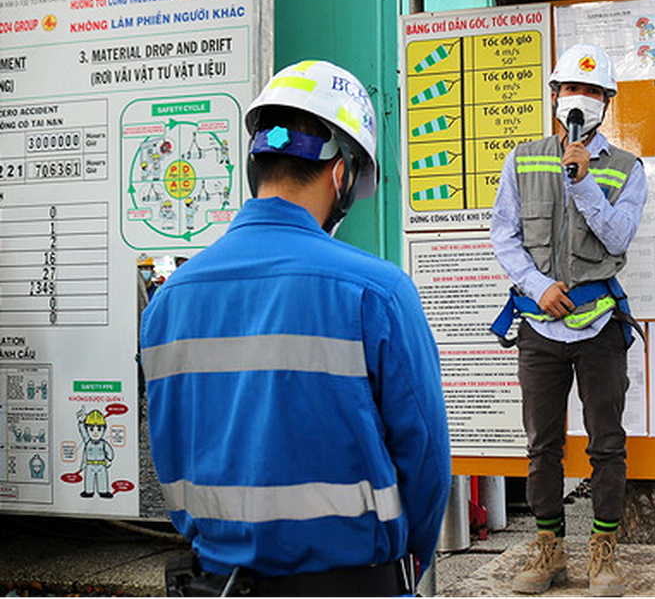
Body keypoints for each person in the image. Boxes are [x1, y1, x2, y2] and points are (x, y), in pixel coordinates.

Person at [141, 60, 451, 597]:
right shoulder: (376, 292)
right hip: (357, 585)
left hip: (217, 584)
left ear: (254, 164)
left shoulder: (168, 301)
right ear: (342, 174)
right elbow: (425, 463)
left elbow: (170, 459)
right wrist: (403, 565)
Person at [489, 44, 647, 597]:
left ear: (607, 101)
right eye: (570, 91)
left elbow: (618, 238)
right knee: (543, 445)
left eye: (593, 93)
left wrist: (581, 181)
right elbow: (503, 236)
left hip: (600, 326)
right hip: (539, 325)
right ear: (554, 97)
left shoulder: (627, 168)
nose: (580, 101)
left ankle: (603, 552)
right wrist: (538, 287)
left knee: (607, 442)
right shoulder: (522, 159)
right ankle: (549, 548)